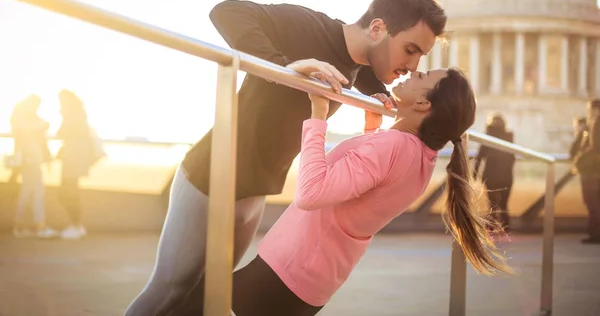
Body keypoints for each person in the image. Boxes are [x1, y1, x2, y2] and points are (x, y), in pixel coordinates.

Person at [125, 0, 447, 315]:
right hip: (210, 177)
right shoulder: (307, 25)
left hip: (255, 191)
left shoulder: (358, 63)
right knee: (170, 290)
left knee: (213, 295)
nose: (413, 64)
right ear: (378, 28)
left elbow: (359, 72)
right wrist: (285, 68)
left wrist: (377, 92)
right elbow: (225, 11)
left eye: (420, 55)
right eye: (410, 49)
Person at [190, 68, 511, 316]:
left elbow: (311, 194)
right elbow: (370, 188)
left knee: (190, 302)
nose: (414, 72)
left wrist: (317, 116)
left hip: (286, 271)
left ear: (424, 103)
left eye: (423, 76)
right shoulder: (422, 158)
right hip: (310, 282)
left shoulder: (393, 146)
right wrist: (372, 130)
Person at [56, 90, 104, 239]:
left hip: (73, 158)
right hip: (75, 158)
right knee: (70, 190)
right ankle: (77, 225)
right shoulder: (78, 113)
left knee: (68, 191)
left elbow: (62, 133)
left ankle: (75, 225)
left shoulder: (72, 114)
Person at [10, 94, 58, 239]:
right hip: (29, 161)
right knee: (37, 193)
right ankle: (39, 226)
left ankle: (20, 226)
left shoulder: (25, 119)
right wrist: (41, 126)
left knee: (27, 193)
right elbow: (30, 130)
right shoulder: (23, 120)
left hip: (31, 161)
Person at [473, 113, 516, 234]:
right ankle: (506, 228)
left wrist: (475, 173)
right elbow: (512, 157)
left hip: (490, 174)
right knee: (504, 204)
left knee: (492, 203)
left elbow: (480, 156)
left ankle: (491, 228)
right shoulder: (509, 136)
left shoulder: (488, 137)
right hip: (506, 175)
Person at [572, 100, 600, 244]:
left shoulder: (595, 124)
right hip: (594, 171)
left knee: (592, 204)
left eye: (590, 109)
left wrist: (579, 159)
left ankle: (595, 234)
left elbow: (595, 148)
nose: (588, 112)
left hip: (592, 171)